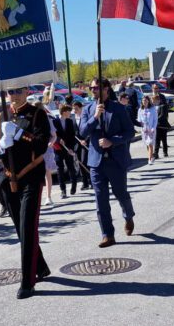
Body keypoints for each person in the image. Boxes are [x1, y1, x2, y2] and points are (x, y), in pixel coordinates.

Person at [0, 85, 52, 299]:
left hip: (30, 176)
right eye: (10, 92)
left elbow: (42, 145)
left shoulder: (37, 114)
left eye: (17, 91)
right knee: (20, 228)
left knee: (27, 227)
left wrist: (19, 134)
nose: (13, 95)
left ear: (26, 92)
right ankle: (40, 266)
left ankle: (28, 281)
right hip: (8, 178)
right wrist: (1, 145)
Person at [81, 78, 136, 247]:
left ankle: (128, 216)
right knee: (100, 200)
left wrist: (112, 141)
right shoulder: (88, 109)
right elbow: (83, 132)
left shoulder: (118, 108)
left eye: (97, 88)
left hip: (115, 160)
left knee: (121, 194)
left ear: (106, 89)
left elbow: (130, 132)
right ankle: (107, 234)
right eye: (91, 88)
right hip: (96, 163)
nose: (94, 91)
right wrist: (95, 116)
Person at [53, 104, 79, 197]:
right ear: (64, 112)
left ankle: (74, 185)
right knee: (60, 169)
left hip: (68, 148)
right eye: (69, 111)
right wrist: (58, 139)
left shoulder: (69, 121)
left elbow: (72, 136)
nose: (70, 113)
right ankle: (63, 190)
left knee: (71, 167)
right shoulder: (54, 121)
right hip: (59, 148)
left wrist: (71, 149)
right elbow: (53, 134)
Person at [71, 99, 91, 190]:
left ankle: (91, 180)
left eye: (76, 109)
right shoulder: (72, 118)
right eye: (73, 109)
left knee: (84, 161)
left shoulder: (86, 117)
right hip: (77, 143)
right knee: (80, 163)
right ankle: (85, 182)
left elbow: (90, 130)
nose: (74, 111)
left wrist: (85, 140)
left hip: (85, 142)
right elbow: (72, 132)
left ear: (81, 108)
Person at [138, 95, 158, 165]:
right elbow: (139, 120)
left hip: (151, 129)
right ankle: (151, 155)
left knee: (150, 143)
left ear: (148, 101)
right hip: (144, 130)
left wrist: (153, 128)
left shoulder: (153, 109)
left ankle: (149, 159)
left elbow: (155, 120)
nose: (144, 102)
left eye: (146, 101)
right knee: (147, 144)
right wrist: (142, 127)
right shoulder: (140, 110)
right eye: (143, 101)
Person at [153, 91, 171, 157]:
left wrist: (155, 120)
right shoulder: (155, 107)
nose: (153, 102)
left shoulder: (163, 106)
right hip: (157, 126)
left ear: (159, 100)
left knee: (164, 139)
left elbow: (162, 115)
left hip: (162, 125)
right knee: (157, 140)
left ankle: (165, 152)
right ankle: (156, 153)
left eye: (154, 100)